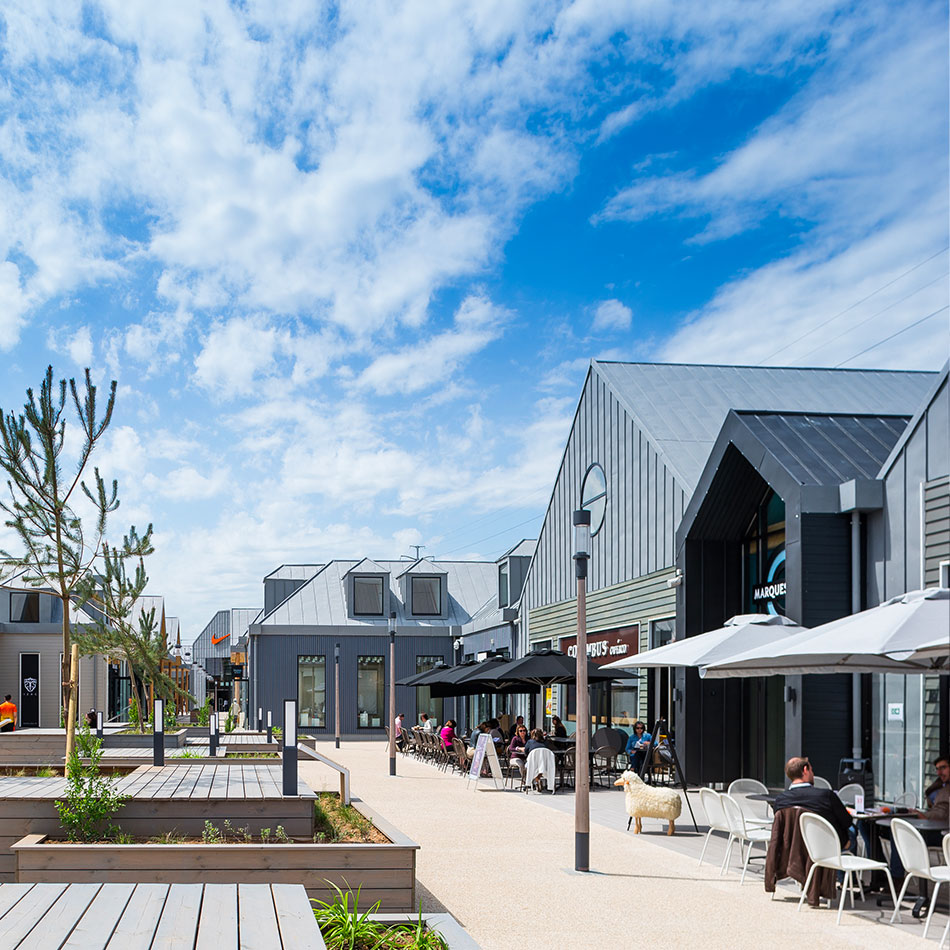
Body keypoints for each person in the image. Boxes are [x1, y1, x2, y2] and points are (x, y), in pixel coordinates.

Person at [772, 756, 852, 846]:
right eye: (812, 770)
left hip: (793, 848)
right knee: (852, 831)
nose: (813, 774)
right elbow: (847, 821)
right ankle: (851, 859)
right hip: (827, 847)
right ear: (805, 770)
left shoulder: (780, 800)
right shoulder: (826, 796)